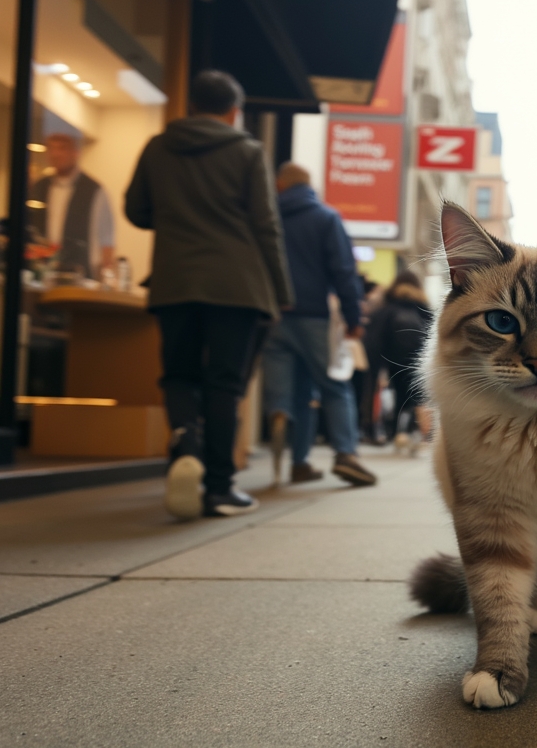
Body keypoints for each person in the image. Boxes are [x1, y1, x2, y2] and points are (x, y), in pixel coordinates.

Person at [125, 70, 293, 519]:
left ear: (192, 104)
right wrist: (280, 290)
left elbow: (136, 209)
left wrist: (177, 217)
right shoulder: (247, 151)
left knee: (177, 375)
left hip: (174, 280)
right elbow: (266, 225)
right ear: (234, 111)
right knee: (224, 383)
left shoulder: (158, 146)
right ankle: (218, 488)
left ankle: (186, 444)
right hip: (236, 286)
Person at [262, 162, 377, 487]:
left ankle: (289, 437)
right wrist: (354, 319)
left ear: (280, 186)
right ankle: (346, 454)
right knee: (333, 387)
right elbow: (343, 270)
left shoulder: (268, 217)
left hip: (274, 315)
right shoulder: (326, 218)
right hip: (314, 316)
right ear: (309, 187)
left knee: (295, 390)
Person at [363, 269, 433, 454]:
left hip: (393, 359)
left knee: (400, 394)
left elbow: (374, 339)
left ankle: (398, 434)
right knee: (417, 396)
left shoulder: (387, 307)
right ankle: (417, 433)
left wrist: (375, 369)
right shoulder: (423, 308)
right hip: (419, 359)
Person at [28, 133, 115, 278]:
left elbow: (106, 241)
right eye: (51, 149)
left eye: (62, 149)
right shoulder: (39, 188)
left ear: (75, 153)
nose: (55, 154)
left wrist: (104, 276)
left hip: (80, 275)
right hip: (41, 273)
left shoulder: (94, 191)